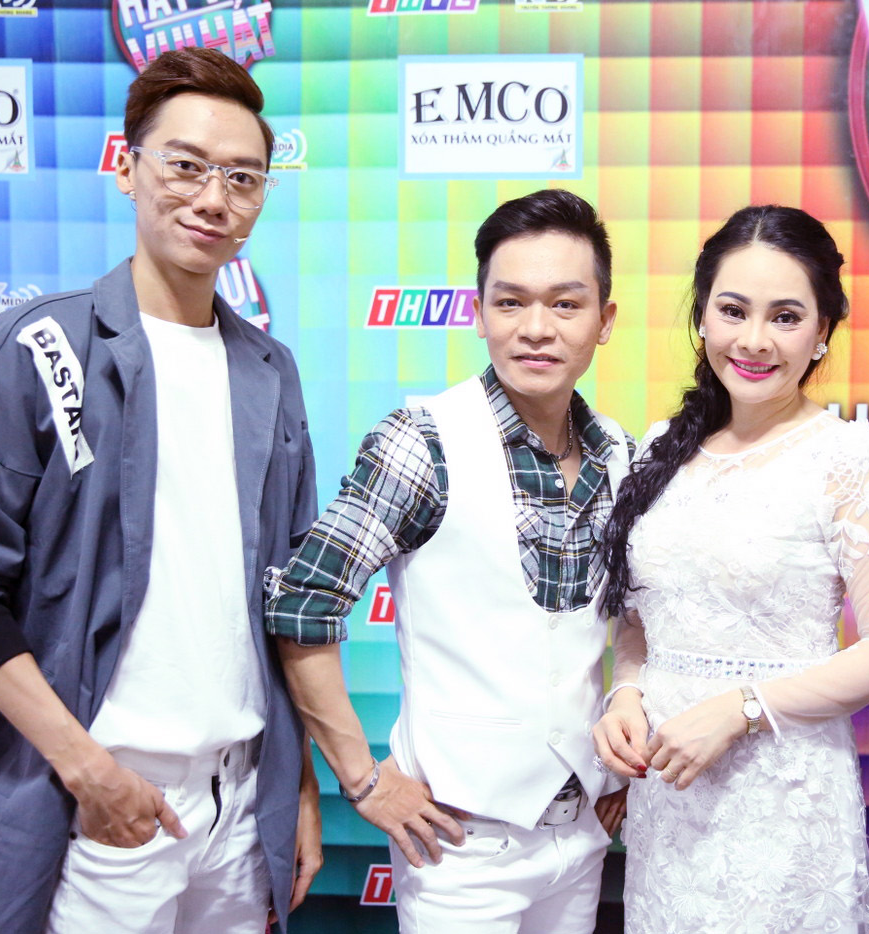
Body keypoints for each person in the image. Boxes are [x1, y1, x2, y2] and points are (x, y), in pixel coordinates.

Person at [0, 48, 322, 934]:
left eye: (243, 178)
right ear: (127, 169)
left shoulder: (269, 370)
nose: (213, 199)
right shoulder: (46, 345)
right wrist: (88, 770)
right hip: (99, 802)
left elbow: (288, 603)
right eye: (186, 166)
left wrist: (299, 790)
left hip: (239, 807)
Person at [265, 188, 632, 933]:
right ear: (478, 312)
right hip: (461, 848)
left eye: (566, 304)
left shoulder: (619, 451)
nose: (536, 328)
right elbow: (304, 605)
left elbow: (633, 627)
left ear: (605, 320)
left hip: (583, 834)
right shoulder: (422, 440)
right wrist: (363, 781)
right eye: (510, 302)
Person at [592, 205, 869, 934]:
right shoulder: (662, 447)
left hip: (783, 804)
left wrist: (743, 708)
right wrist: (626, 694)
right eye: (733, 310)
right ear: (702, 316)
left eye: (785, 317)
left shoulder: (845, 458)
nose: (753, 340)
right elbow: (644, 618)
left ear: (822, 330)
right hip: (668, 805)